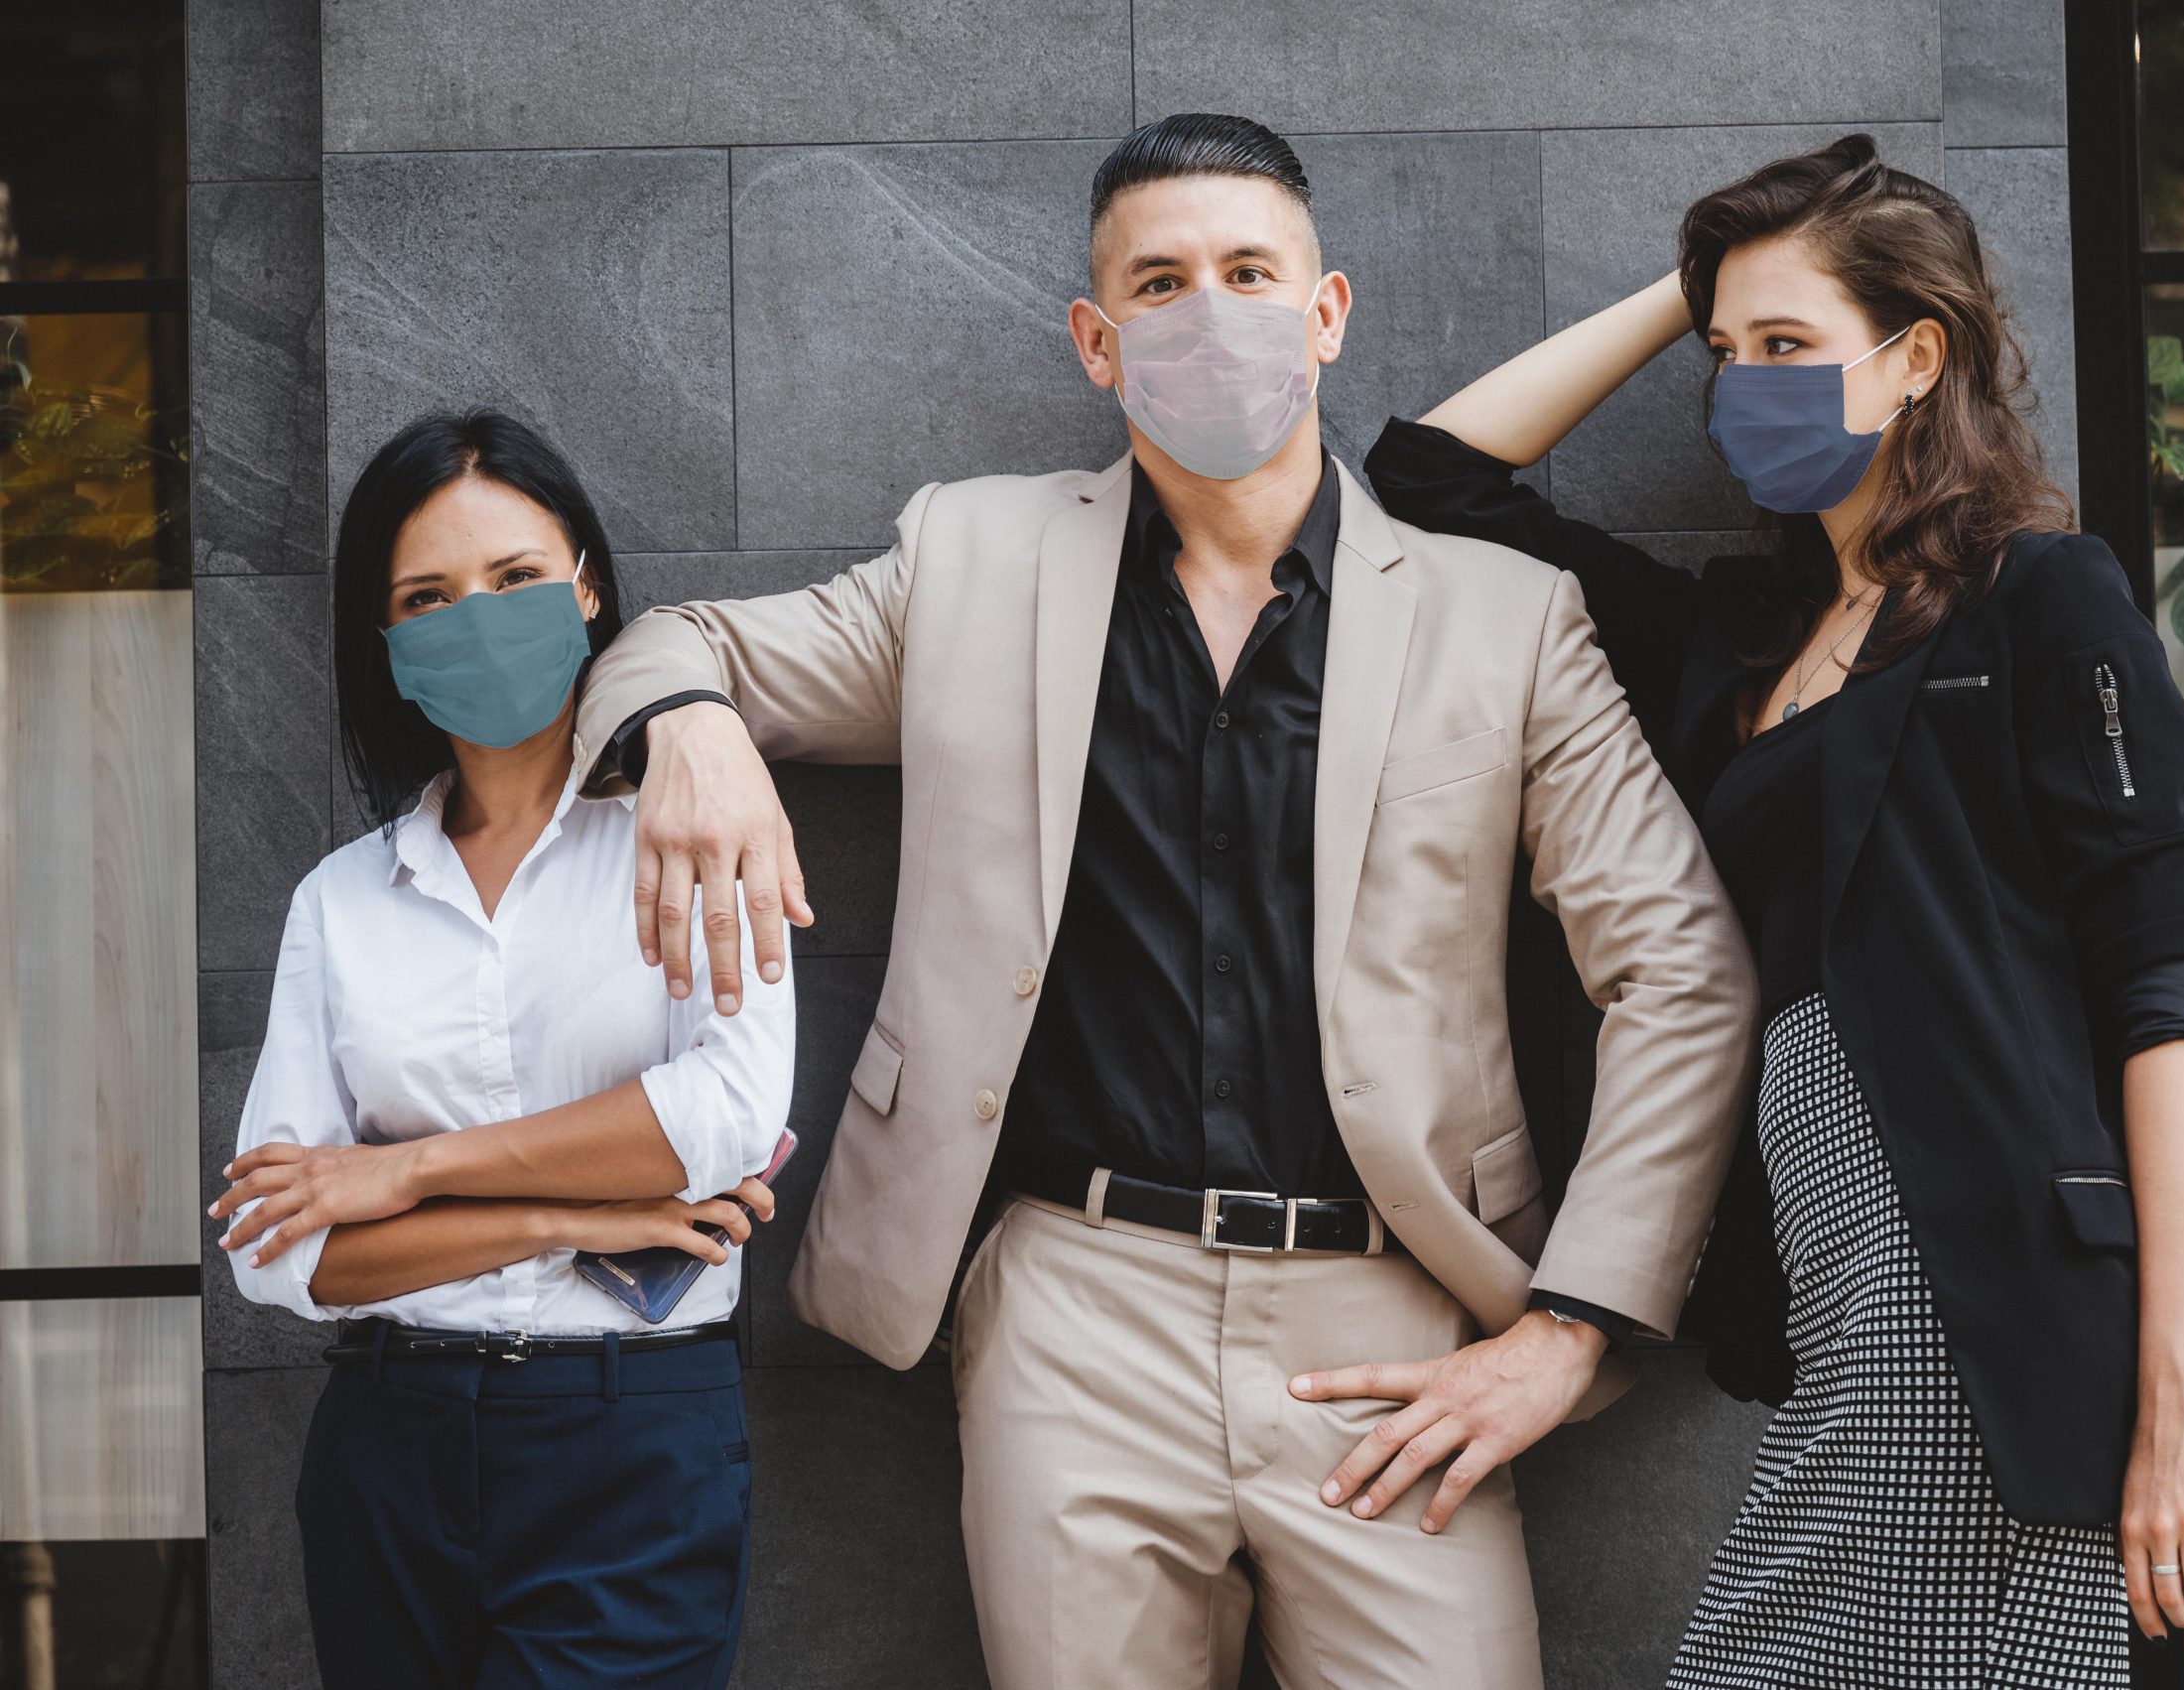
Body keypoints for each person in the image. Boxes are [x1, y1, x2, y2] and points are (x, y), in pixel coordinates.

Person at [574, 113, 1757, 1690]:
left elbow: (1682, 968)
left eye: (1251, 273)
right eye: (1161, 282)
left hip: (1399, 1314)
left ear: (1326, 313)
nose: (1211, 312)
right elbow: (677, 642)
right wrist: (694, 729)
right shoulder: (970, 559)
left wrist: (1572, 1326)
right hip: (1075, 1308)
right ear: (1097, 339)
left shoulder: (1508, 618)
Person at [1362, 133, 2184, 1689]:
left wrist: (2182, 1389)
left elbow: (2166, 982)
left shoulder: (2040, 597)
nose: (1740, 382)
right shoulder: (1740, 636)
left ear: (1916, 359)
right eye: (1726, 353)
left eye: (1787, 344)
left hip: (1982, 1283)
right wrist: (1689, 286)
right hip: (1830, 1263)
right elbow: (1431, 481)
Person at [212, 410, 796, 1689]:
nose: (475, 619)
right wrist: (559, 1215)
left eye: (516, 576)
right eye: (427, 597)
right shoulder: (342, 901)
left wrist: (406, 1172)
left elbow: (724, 1120)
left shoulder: (694, 836)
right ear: (385, 642)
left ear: (587, 587)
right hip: (388, 1446)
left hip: (631, 1440)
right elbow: (278, 1250)